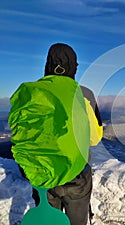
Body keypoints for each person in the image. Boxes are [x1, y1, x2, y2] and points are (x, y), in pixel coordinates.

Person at [8, 43, 103, 225]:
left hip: (41, 173)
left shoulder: (31, 92)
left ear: (48, 65)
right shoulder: (83, 94)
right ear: (73, 67)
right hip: (76, 174)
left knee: (48, 221)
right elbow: (95, 138)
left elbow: (19, 133)